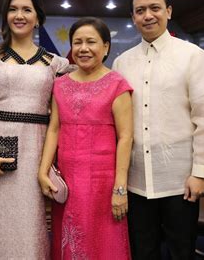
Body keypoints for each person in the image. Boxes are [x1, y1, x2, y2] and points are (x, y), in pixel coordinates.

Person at [0, 0, 70, 259]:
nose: (19, 15)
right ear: (5, 16)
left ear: (38, 18)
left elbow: (59, 118)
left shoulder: (56, 64)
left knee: (33, 223)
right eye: (12, 9)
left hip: (37, 149)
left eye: (26, 9)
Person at [112, 0, 204, 259]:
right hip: (136, 181)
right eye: (140, 10)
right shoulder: (121, 63)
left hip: (180, 180)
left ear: (168, 11)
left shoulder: (193, 56)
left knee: (182, 250)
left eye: (155, 8)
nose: (148, 15)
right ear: (133, 17)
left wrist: (200, 173)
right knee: (143, 250)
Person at [38, 17, 133, 259]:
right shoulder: (59, 84)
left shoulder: (117, 84)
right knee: (69, 239)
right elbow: (54, 129)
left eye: (91, 42)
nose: (83, 48)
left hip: (103, 182)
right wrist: (43, 170)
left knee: (102, 242)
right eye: (77, 42)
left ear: (106, 47)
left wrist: (120, 189)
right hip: (68, 180)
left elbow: (125, 137)